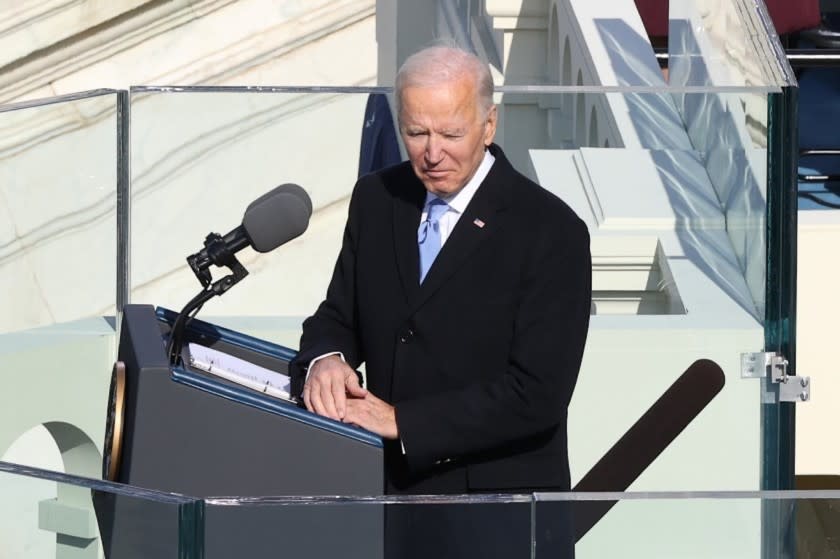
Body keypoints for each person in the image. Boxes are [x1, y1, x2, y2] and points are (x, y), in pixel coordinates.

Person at [290, 44, 591, 557]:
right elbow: (340, 315)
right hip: (389, 505)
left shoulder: (551, 231)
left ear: (488, 125)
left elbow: (537, 394)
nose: (432, 153)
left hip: (498, 518)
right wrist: (326, 359)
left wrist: (405, 422)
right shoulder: (376, 199)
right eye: (416, 132)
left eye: (451, 134)